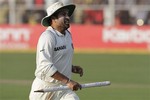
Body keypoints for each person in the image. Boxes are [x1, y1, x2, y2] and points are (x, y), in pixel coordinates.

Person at [29, 2, 83, 100]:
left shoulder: (68, 35)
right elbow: (45, 66)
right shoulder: (47, 37)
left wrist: (71, 67)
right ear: (53, 19)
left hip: (63, 89)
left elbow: (57, 58)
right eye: (63, 14)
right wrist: (68, 81)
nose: (67, 17)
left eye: (67, 14)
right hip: (44, 89)